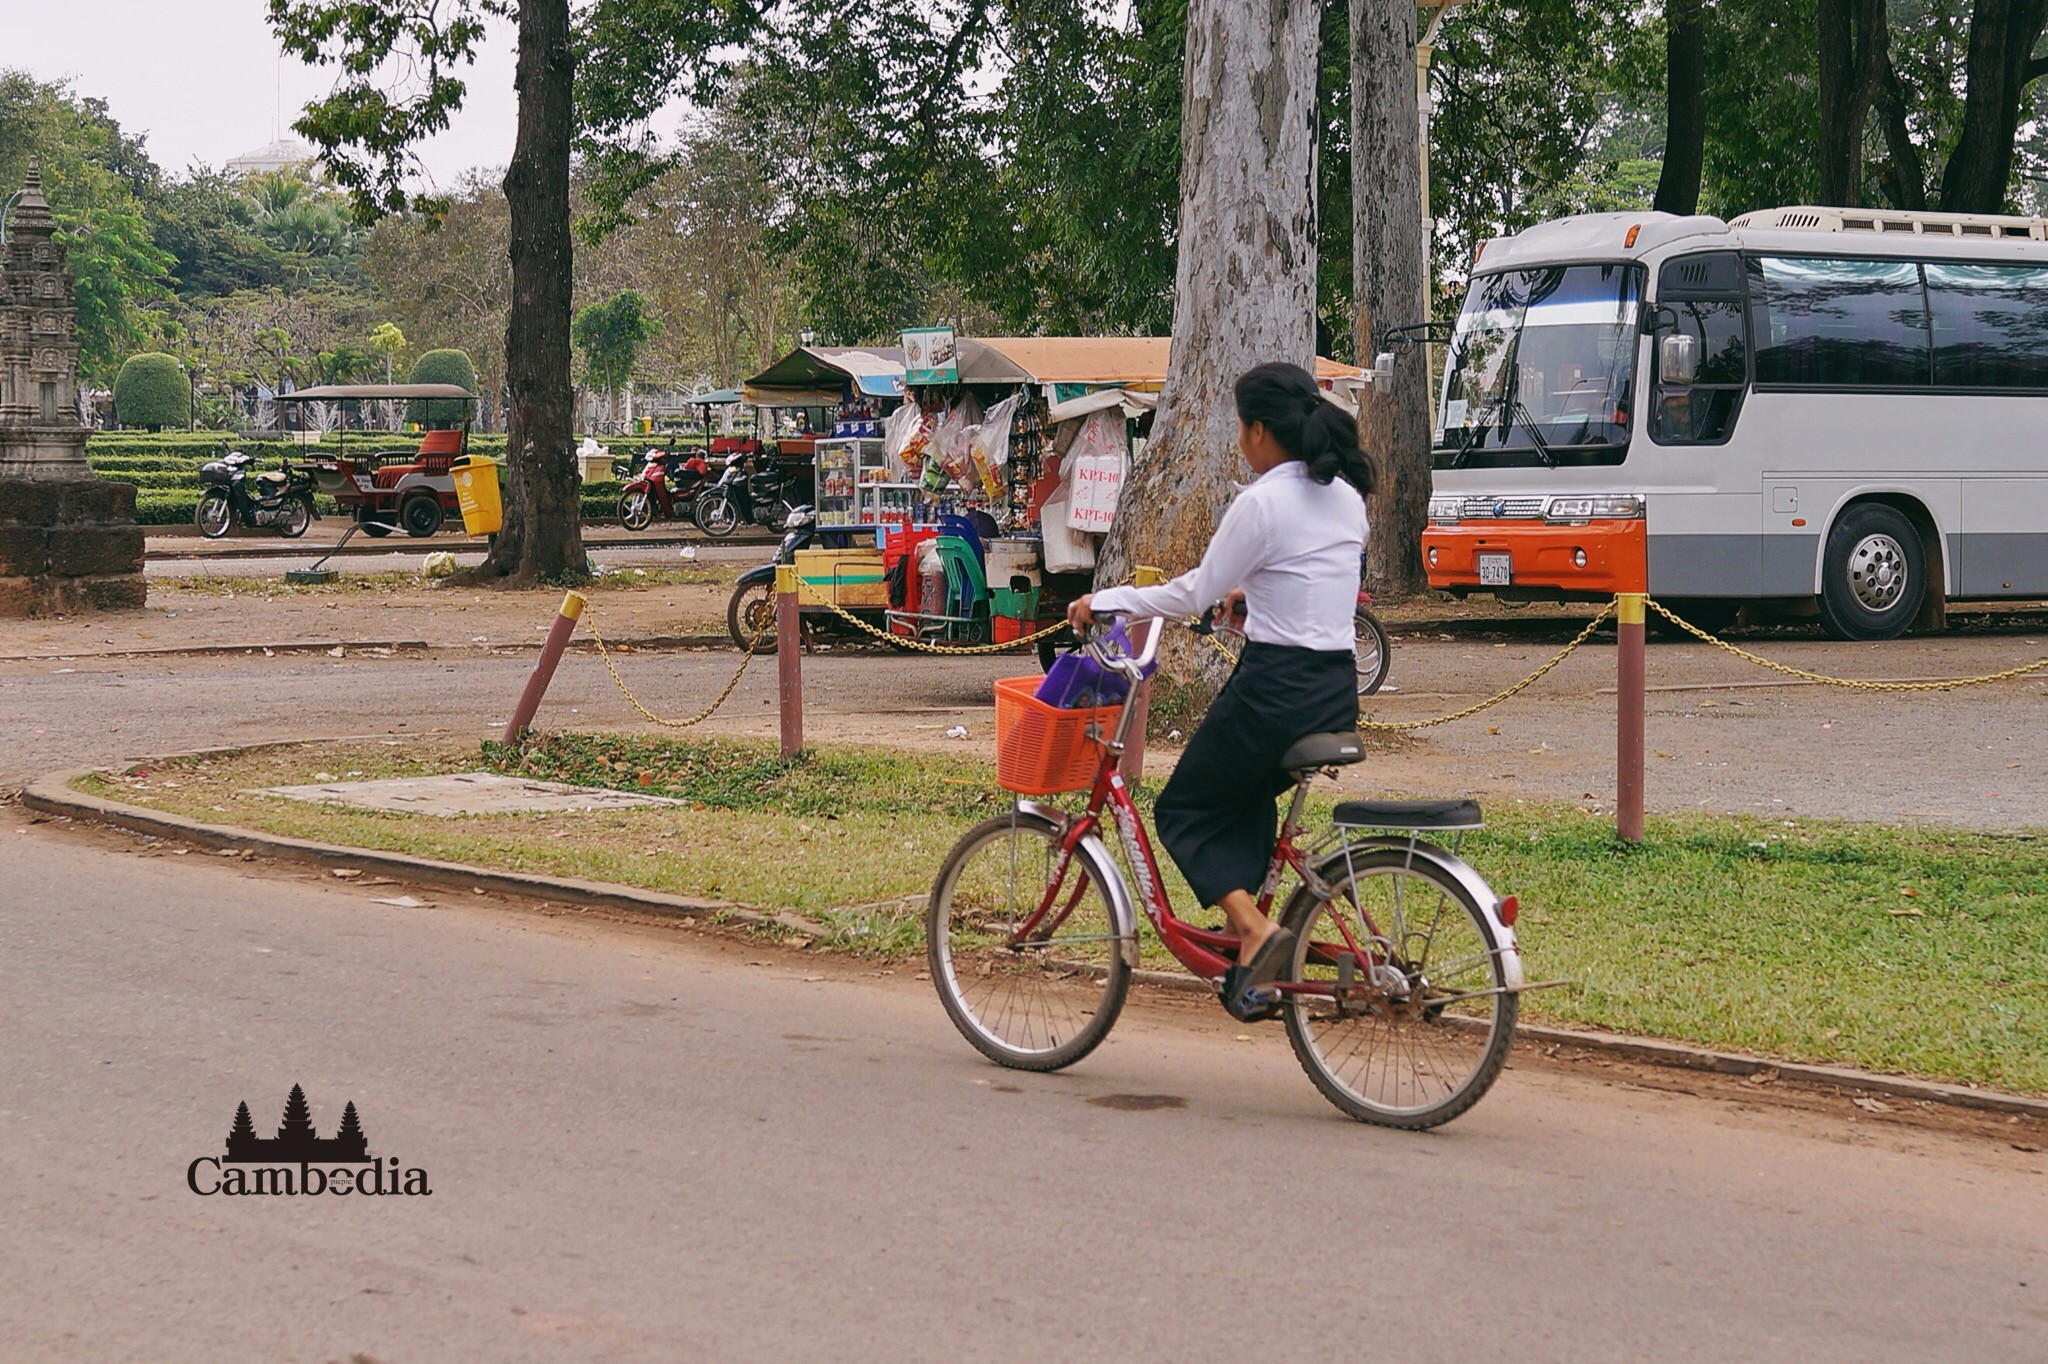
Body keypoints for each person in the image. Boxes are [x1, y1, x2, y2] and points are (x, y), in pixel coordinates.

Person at [1066, 361, 1375, 1021]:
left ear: (1261, 430)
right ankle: (1248, 950)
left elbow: (1193, 594)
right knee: (1242, 790)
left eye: (1240, 425)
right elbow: (1310, 583)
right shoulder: (1347, 496)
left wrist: (1108, 598)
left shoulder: (1261, 500)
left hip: (1275, 689)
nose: (1239, 438)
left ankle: (1256, 931)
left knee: (1183, 809)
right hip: (1333, 688)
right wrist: (1249, 602)